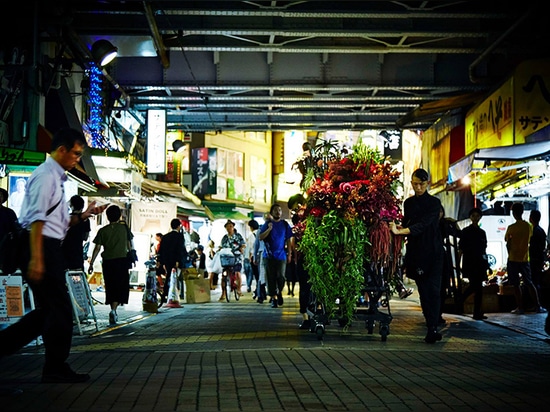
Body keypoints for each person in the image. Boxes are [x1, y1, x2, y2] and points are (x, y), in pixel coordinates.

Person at [0, 127, 106, 383]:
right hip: (40, 248)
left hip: (47, 248)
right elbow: (36, 221)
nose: (77, 159)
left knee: (50, 311)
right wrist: (37, 258)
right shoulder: (46, 176)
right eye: (76, 154)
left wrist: (83, 215)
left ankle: (47, 363)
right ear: (62, 150)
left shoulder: (57, 178)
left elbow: (55, 221)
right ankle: (55, 366)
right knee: (58, 310)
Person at [389, 168, 445, 343]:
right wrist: (397, 227)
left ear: (427, 183)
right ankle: (431, 326)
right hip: (417, 253)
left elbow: (424, 225)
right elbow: (408, 223)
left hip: (434, 253)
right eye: (415, 184)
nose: (418, 187)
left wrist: (403, 231)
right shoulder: (409, 203)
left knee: (434, 291)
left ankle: (433, 327)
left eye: (421, 184)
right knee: (424, 292)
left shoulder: (434, 204)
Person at [88, 205, 133, 325]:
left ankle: (113, 310)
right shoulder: (124, 229)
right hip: (122, 261)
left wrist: (91, 263)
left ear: (107, 217)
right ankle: (114, 310)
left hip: (108, 263)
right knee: (121, 286)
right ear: (119, 215)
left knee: (111, 285)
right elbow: (129, 245)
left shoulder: (103, 230)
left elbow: (97, 248)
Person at [504, 203, 547, 314]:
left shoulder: (511, 228)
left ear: (513, 213)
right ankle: (537, 306)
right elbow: (530, 240)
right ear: (523, 212)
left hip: (513, 259)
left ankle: (520, 308)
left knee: (516, 285)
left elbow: (507, 242)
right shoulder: (528, 226)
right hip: (525, 259)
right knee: (529, 283)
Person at [258, 204, 294, 308]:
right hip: (268, 256)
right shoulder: (267, 223)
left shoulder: (284, 224)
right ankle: (273, 298)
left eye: (279, 210)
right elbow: (260, 237)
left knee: (281, 277)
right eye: (275, 210)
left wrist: (289, 254)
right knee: (270, 278)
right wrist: (269, 230)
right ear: (271, 212)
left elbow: (288, 239)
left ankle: (279, 291)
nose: (278, 212)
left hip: (281, 255)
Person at [459, 207, 490, 320]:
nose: (475, 218)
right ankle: (466, 304)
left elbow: (484, 250)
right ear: (470, 217)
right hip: (470, 262)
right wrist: (458, 263)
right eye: (473, 216)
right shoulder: (465, 232)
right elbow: (461, 249)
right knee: (475, 287)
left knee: (477, 288)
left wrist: (487, 264)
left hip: (480, 263)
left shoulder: (482, 233)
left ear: (480, 217)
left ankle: (476, 311)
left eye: (477, 216)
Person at [439, 205, 461, 324]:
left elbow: (459, 235)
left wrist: (455, 224)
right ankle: (433, 313)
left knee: (443, 287)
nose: (439, 213)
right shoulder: (428, 223)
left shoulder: (445, 224)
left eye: (441, 211)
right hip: (431, 256)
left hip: (442, 257)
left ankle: (438, 314)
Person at [157, 218, 188, 305]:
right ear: (179, 226)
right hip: (175, 261)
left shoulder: (166, 236)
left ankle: (166, 294)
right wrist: (179, 260)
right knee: (175, 278)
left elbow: (161, 250)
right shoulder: (179, 237)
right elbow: (180, 249)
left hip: (167, 260)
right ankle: (173, 294)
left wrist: (161, 261)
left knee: (169, 276)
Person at [62, 195, 91, 271]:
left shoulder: (66, 218)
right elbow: (85, 237)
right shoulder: (85, 220)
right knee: (77, 278)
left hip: (64, 254)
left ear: (71, 206)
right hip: (77, 254)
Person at [219, 220, 246, 301]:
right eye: (227, 226)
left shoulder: (238, 236)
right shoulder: (225, 238)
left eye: (230, 226)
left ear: (233, 227)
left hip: (236, 257)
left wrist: (241, 248)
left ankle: (239, 289)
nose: (229, 228)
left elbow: (243, 244)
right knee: (223, 275)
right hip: (227, 258)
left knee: (237, 273)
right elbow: (221, 246)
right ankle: (223, 293)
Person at [529, 209, 547, 300]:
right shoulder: (541, 231)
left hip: (534, 260)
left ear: (531, 218)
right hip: (539, 260)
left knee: (534, 282)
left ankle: (536, 303)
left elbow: (533, 247)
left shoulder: (534, 231)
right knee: (537, 282)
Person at [253, 213, 271, 304]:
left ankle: (267, 295)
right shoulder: (260, 229)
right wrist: (255, 256)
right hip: (262, 253)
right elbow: (256, 244)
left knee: (267, 275)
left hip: (270, 254)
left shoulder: (273, 228)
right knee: (262, 276)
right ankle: (261, 295)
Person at [244, 219, 259, 294]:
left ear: (251, 227)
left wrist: (250, 258)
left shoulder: (251, 235)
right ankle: (260, 290)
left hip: (254, 257)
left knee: (257, 275)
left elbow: (251, 248)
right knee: (261, 274)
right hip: (262, 256)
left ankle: (259, 290)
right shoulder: (261, 233)